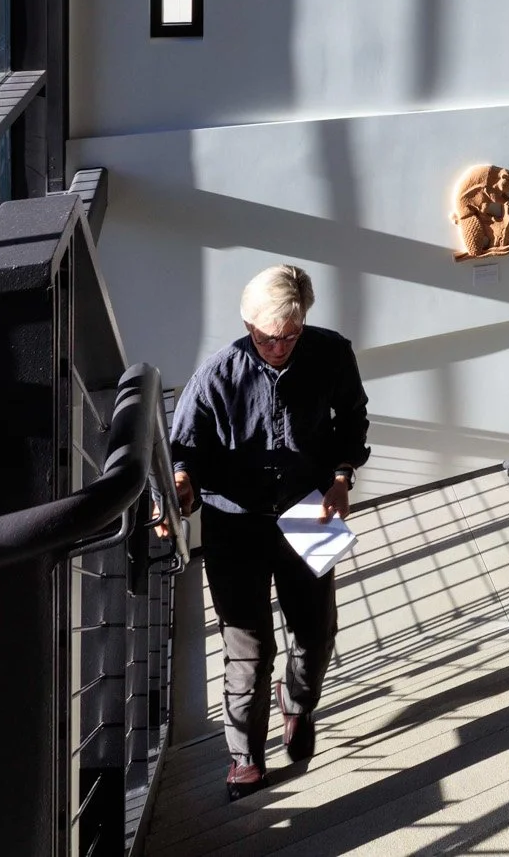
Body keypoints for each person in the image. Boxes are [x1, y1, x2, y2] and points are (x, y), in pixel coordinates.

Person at [167, 265, 370, 801]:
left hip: (309, 509)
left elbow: (352, 419)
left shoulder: (332, 352)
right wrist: (182, 484)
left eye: (290, 336)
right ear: (247, 324)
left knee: (317, 630)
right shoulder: (216, 375)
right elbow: (183, 451)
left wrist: (343, 478)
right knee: (249, 649)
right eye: (266, 337)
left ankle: (299, 705)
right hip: (234, 520)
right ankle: (245, 757)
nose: (279, 347)